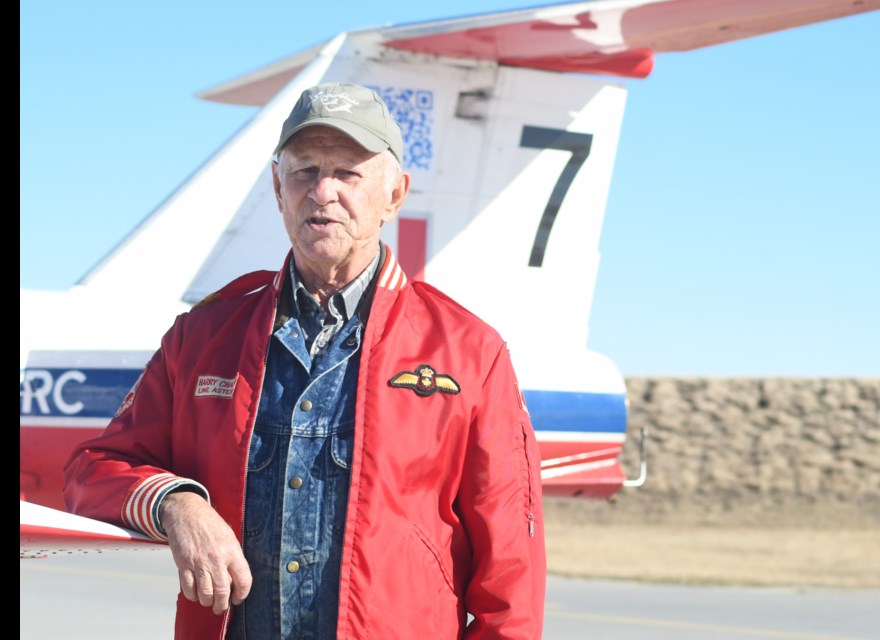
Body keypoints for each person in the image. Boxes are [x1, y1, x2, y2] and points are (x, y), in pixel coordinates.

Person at [63, 82, 546, 639]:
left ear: (393, 195)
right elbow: (92, 470)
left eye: (348, 172)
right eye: (304, 170)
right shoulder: (201, 337)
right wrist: (177, 504)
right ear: (277, 187)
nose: (322, 190)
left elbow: (511, 568)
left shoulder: (469, 351)